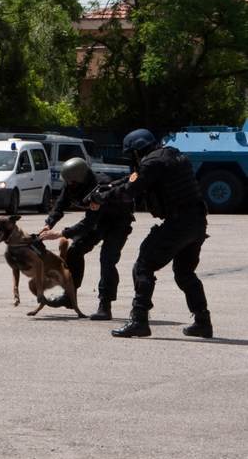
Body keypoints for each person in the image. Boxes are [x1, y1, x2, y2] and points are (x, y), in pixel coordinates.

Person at [90, 128, 212, 338]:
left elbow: (130, 191)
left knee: (143, 266)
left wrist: (103, 197)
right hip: (197, 222)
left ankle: (139, 320)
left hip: (178, 223)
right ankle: (203, 321)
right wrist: (109, 186)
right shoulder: (172, 155)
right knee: (185, 273)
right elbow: (134, 179)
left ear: (137, 150)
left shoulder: (152, 163)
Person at [37, 157, 135, 320]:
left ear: (79, 179)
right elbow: (60, 204)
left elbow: (88, 223)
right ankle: (70, 296)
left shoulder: (100, 186)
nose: (68, 185)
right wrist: (49, 223)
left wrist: (61, 234)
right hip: (98, 222)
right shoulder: (71, 184)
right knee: (74, 251)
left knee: (107, 260)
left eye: (71, 182)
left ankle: (105, 305)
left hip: (118, 224)